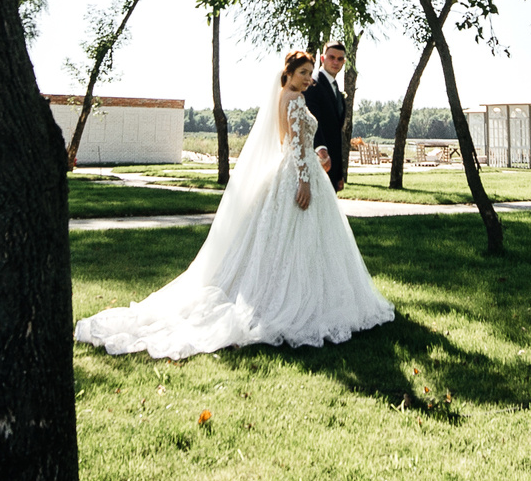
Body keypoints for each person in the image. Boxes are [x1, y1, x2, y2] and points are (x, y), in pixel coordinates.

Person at [73, 49, 394, 360]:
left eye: (310, 73)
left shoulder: (283, 96)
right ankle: (303, 299)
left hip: (292, 169)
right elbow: (295, 145)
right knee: (304, 240)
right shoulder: (295, 100)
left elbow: (292, 143)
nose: (309, 78)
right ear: (290, 74)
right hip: (299, 174)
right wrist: (306, 178)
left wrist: (315, 157)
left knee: (282, 240)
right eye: (303, 73)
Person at [305, 41, 349, 192]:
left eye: (340, 59)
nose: (336, 62)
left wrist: (339, 173)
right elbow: (312, 123)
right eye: (332, 57)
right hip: (318, 160)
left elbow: (336, 134)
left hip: (332, 166)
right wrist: (321, 150)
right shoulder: (313, 84)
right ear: (323, 59)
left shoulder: (336, 89)